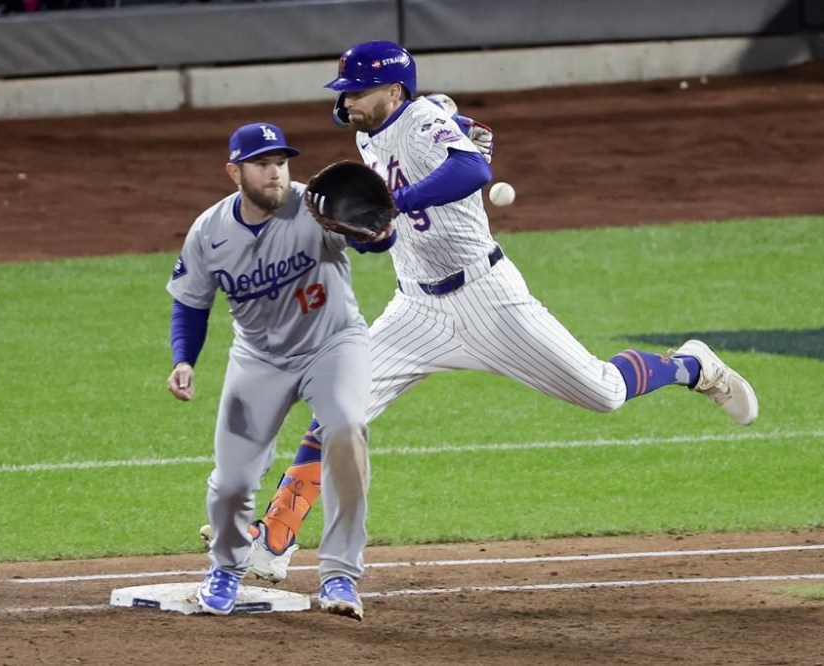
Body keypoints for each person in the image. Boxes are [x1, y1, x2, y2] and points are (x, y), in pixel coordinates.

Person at [240, 40, 759, 583]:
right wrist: (372, 232)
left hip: (490, 302)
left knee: (603, 392)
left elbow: (471, 172)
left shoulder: (420, 120)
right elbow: (385, 236)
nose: (345, 100)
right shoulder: (369, 136)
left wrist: (403, 199)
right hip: (415, 310)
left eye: (356, 90)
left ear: (394, 91)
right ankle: (276, 536)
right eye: (343, 91)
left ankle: (692, 366)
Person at [165, 121, 394, 620]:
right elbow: (191, 304)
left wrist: (381, 233)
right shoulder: (209, 232)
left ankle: (339, 574)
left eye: (281, 163)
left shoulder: (316, 205)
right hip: (259, 359)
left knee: (347, 431)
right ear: (235, 172)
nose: (275, 174)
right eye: (262, 164)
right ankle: (226, 566)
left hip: (333, 345)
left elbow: (373, 242)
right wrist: (183, 359)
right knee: (231, 481)